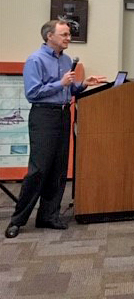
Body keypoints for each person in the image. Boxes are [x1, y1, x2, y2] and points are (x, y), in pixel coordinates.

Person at [5, 20, 106, 238]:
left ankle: (48, 216)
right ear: (49, 36)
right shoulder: (35, 60)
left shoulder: (67, 60)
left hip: (62, 115)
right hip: (43, 116)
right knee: (39, 169)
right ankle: (18, 220)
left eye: (69, 34)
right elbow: (32, 93)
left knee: (59, 168)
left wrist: (83, 84)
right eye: (64, 34)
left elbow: (67, 90)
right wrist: (60, 83)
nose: (68, 38)